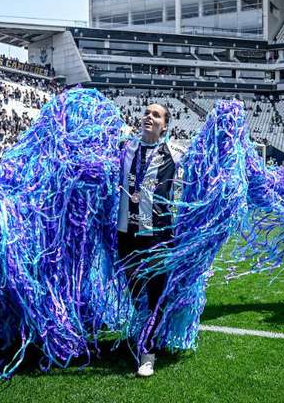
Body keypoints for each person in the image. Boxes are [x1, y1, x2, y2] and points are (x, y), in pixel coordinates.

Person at [116, 103, 182, 377]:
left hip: (158, 236)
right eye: (146, 112)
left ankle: (148, 353)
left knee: (155, 294)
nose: (148, 116)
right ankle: (144, 334)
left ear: (164, 125)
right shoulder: (125, 149)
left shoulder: (176, 154)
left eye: (156, 115)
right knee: (134, 292)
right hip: (126, 234)